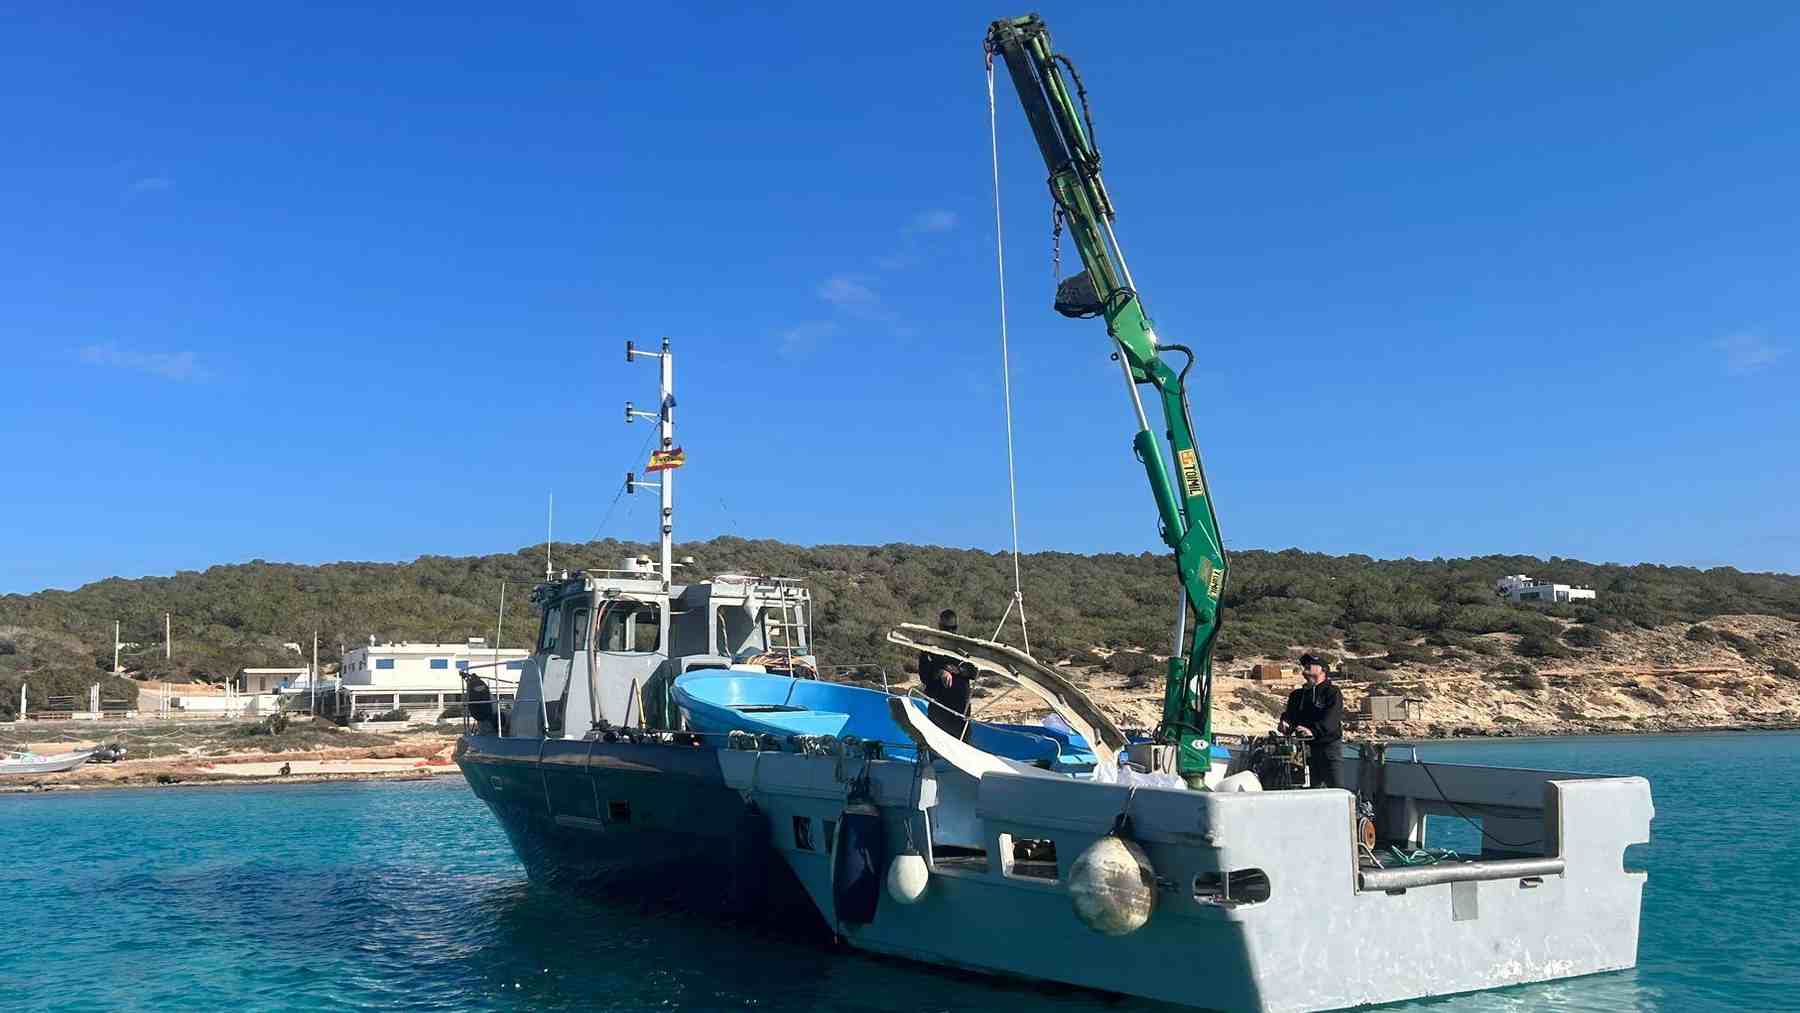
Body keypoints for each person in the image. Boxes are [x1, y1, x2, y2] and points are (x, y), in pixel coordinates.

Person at [1278, 653, 1345, 789]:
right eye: (1305, 664)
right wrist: (1285, 723)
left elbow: (1331, 719)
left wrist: (1312, 731)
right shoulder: (1296, 695)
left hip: (1328, 748)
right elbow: (1289, 716)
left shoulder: (1332, 692)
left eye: (1311, 663)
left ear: (1323, 670)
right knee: (1308, 788)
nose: (1306, 665)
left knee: (1337, 788)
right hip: (1303, 750)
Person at [918, 609, 974, 739]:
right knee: (936, 737)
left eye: (953, 628)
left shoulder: (964, 647)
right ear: (939, 626)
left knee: (961, 739)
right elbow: (924, 674)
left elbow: (974, 671)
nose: (950, 631)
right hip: (939, 702)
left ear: (956, 627)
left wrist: (958, 671)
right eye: (946, 628)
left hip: (960, 703)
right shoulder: (929, 648)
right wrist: (940, 672)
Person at [465, 672, 498, 736]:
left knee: (487, 731)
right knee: (487, 730)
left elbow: (475, 694)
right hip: (487, 716)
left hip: (485, 717)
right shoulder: (481, 686)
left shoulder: (476, 687)